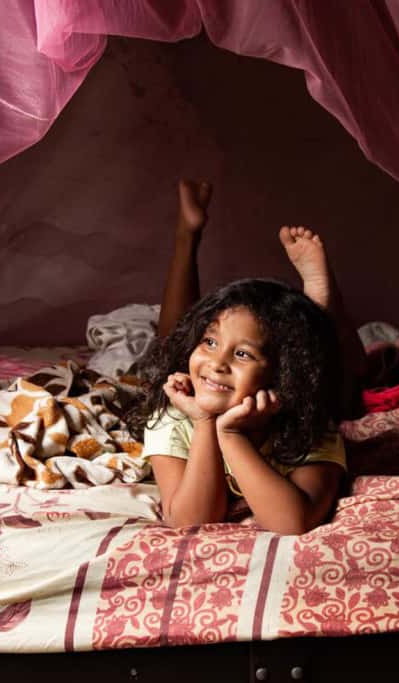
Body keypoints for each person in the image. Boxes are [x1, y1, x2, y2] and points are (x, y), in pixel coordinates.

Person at [128, 180, 367, 535]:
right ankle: (187, 236)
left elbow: (293, 523)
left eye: (242, 353)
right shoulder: (173, 415)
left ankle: (322, 303)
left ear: (280, 377)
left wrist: (232, 434)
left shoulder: (307, 424)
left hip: (306, 390)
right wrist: (206, 420)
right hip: (205, 396)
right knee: (172, 347)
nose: (217, 362)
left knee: (342, 381)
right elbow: (190, 522)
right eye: (210, 343)